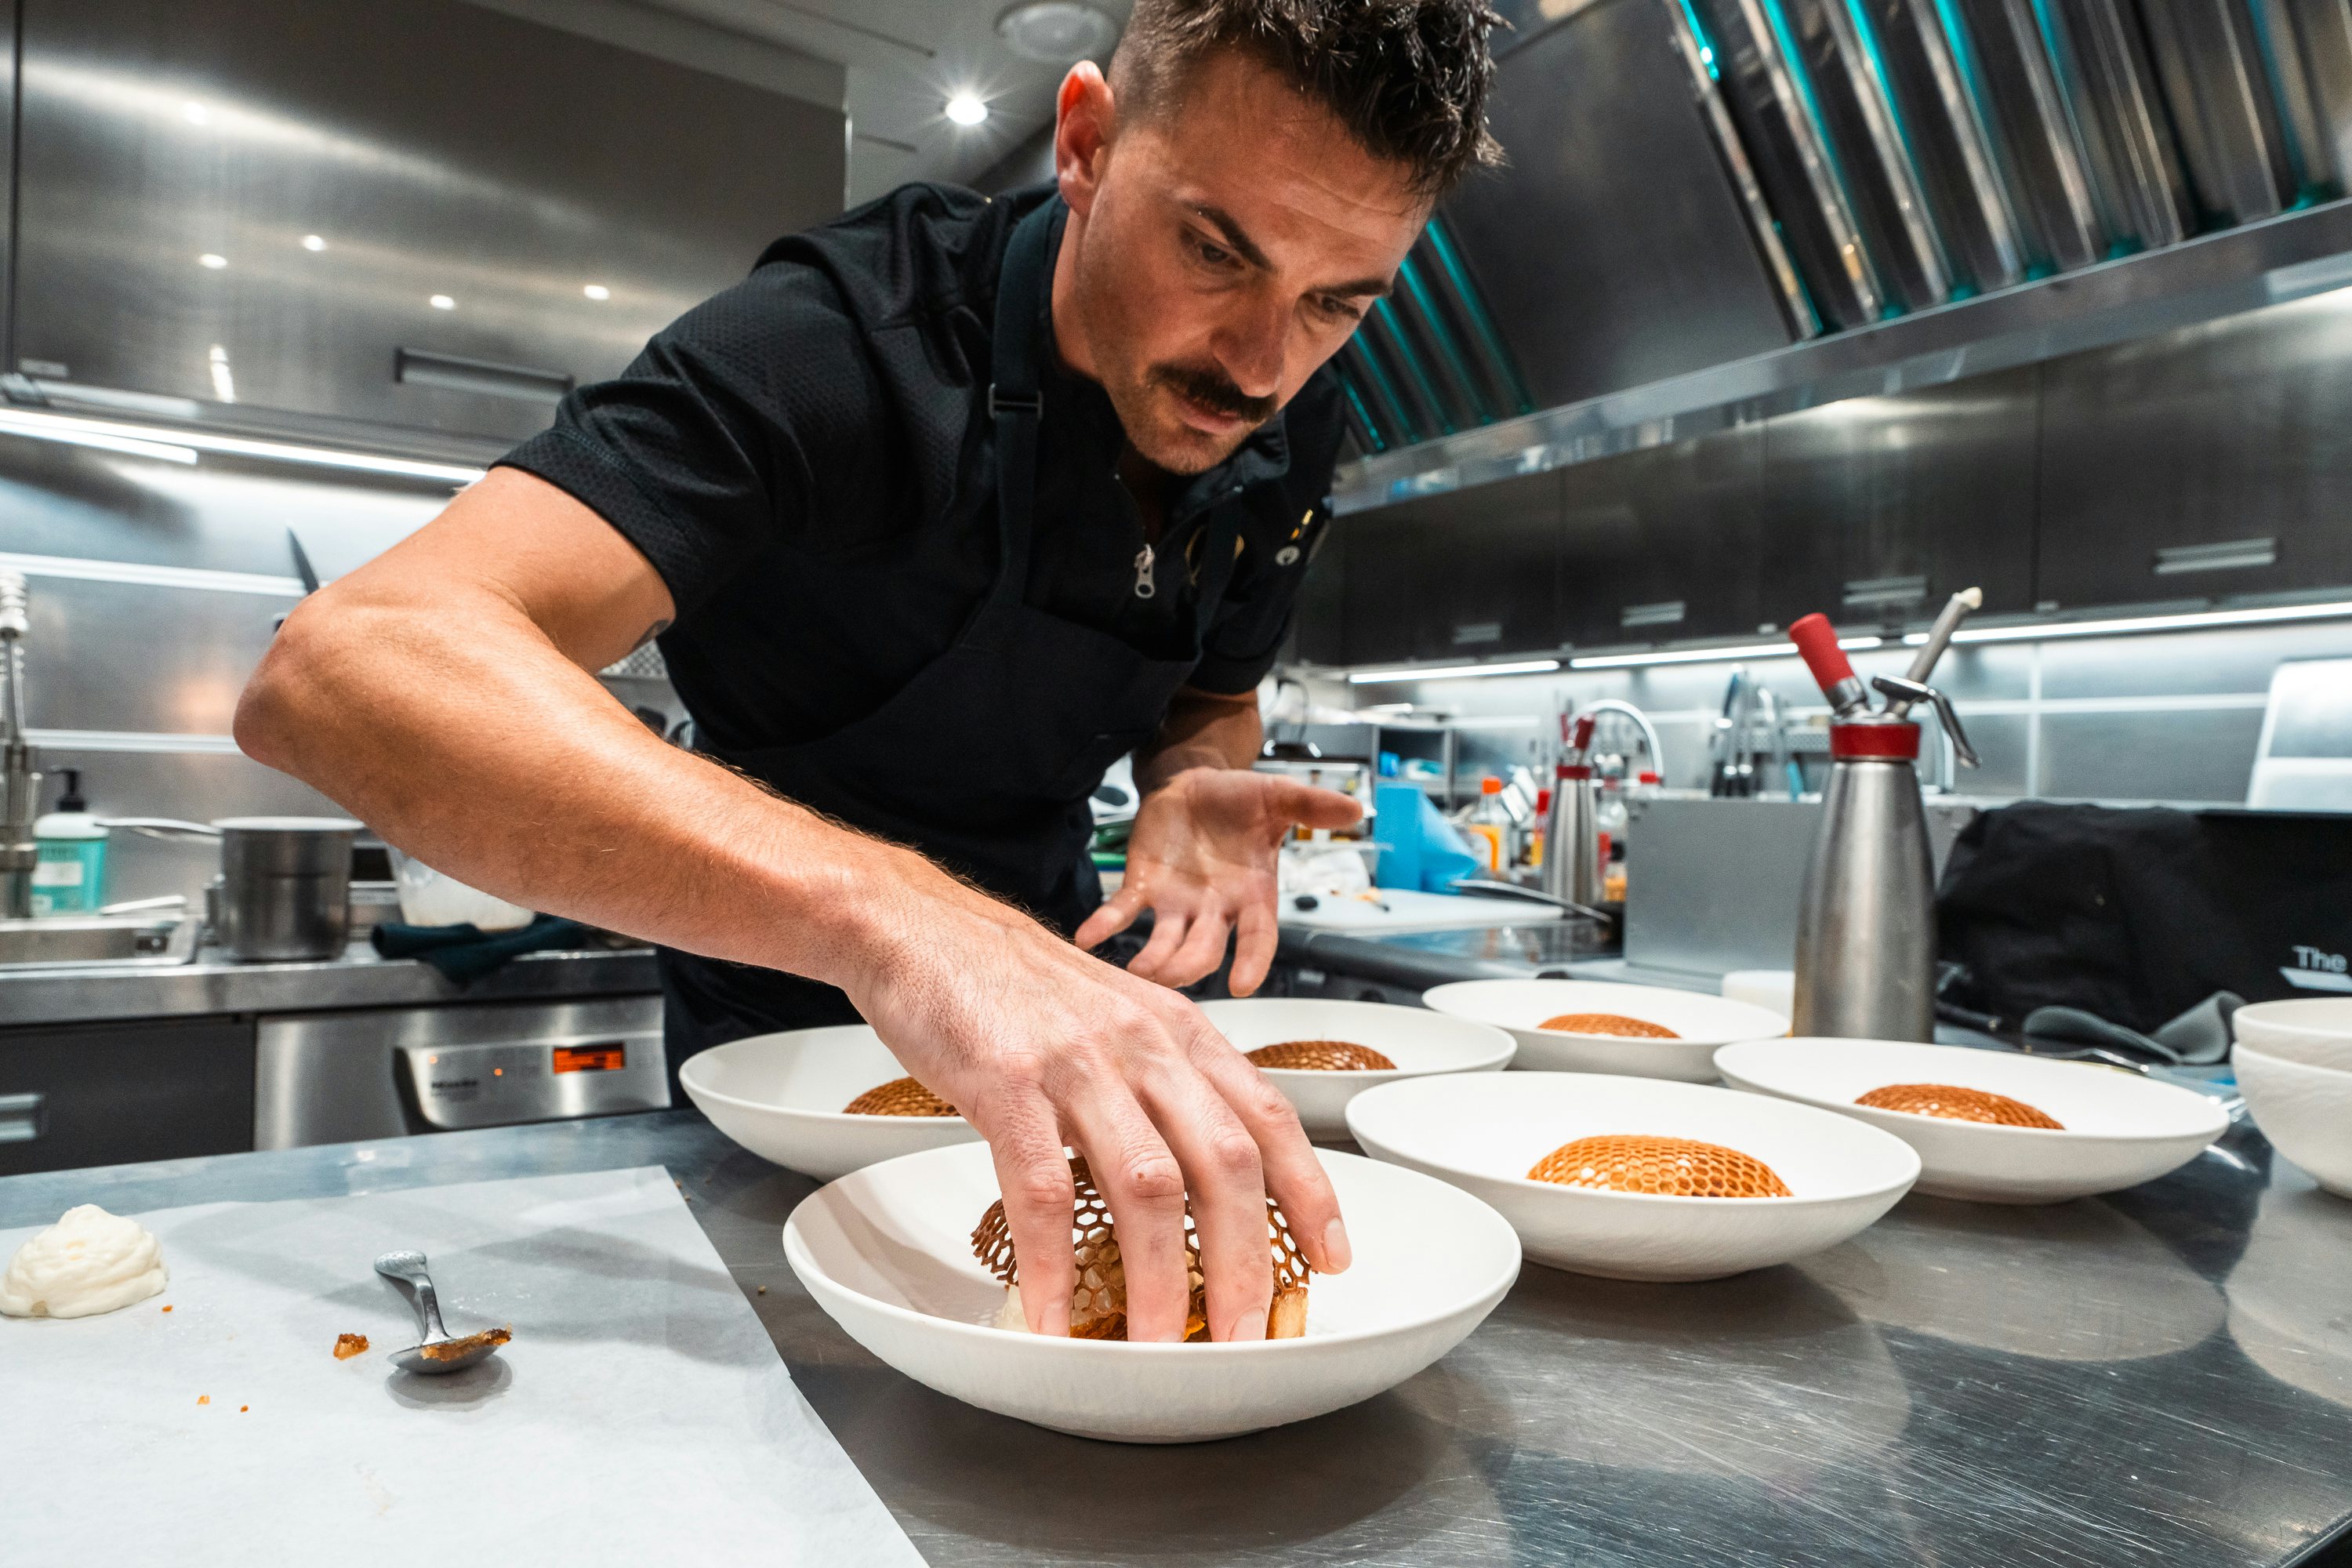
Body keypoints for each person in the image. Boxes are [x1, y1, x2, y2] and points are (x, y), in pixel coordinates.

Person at [237, 0, 1501, 1343]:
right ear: (1084, 143)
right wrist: (908, 921)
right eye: (1213, 249)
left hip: (1063, 978)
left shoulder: (1293, 426)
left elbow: (1213, 689)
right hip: (781, 1018)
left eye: (1334, 303)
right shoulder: (841, 342)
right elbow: (341, 669)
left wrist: (1193, 780)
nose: (1261, 365)